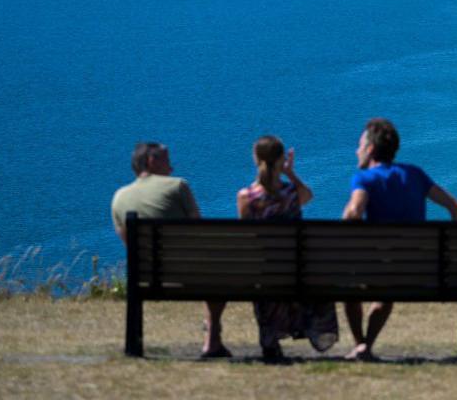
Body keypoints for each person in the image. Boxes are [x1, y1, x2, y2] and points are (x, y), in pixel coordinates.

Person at [342, 118, 457, 361]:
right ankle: (365, 347)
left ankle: (360, 344)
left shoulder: (364, 179)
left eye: (359, 146)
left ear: (370, 150)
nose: (356, 151)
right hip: (417, 272)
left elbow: (354, 212)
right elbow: (454, 206)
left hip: (379, 268)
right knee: (386, 292)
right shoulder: (415, 174)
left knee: (350, 289)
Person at [111, 142, 231, 359]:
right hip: (189, 276)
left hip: (147, 278)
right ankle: (212, 340)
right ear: (151, 161)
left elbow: (130, 245)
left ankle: (134, 343)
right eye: (167, 159)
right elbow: (199, 231)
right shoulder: (178, 186)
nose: (172, 167)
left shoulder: (119, 197)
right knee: (219, 271)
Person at [237, 135, 338, 361]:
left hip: (264, 272)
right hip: (295, 269)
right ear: (282, 160)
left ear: (256, 159)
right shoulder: (291, 193)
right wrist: (290, 173)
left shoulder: (246, 197)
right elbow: (308, 196)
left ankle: (269, 339)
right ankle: (307, 329)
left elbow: (246, 237)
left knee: (267, 271)